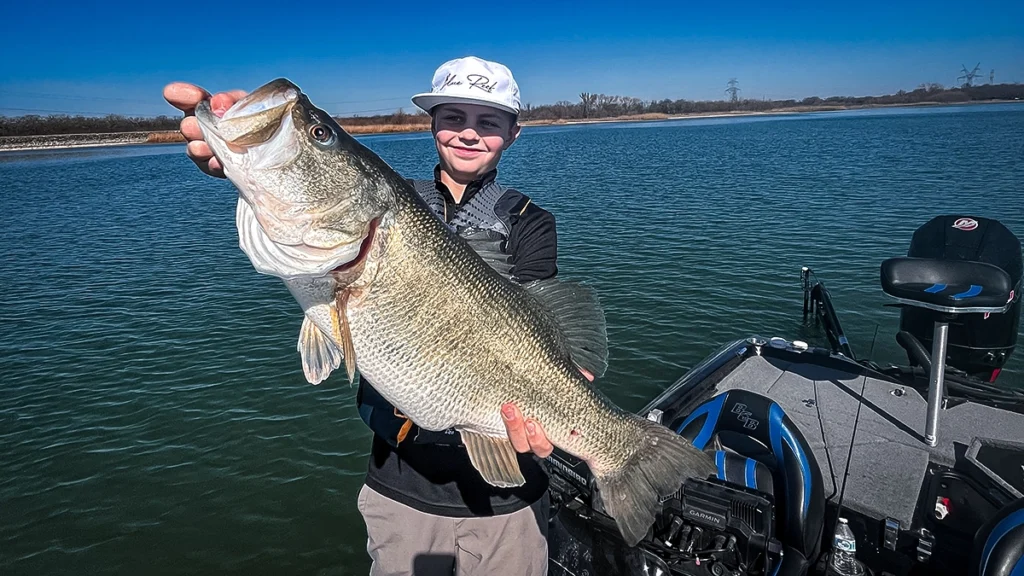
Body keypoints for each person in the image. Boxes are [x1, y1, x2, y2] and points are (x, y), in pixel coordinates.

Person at [164, 56, 586, 575]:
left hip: (508, 496)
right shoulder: (391, 197)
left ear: (512, 134)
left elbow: (542, 327)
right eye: (453, 117)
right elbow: (297, 208)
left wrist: (571, 394)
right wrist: (242, 167)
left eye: (488, 121)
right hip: (400, 482)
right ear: (432, 124)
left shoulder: (530, 222)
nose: (469, 134)